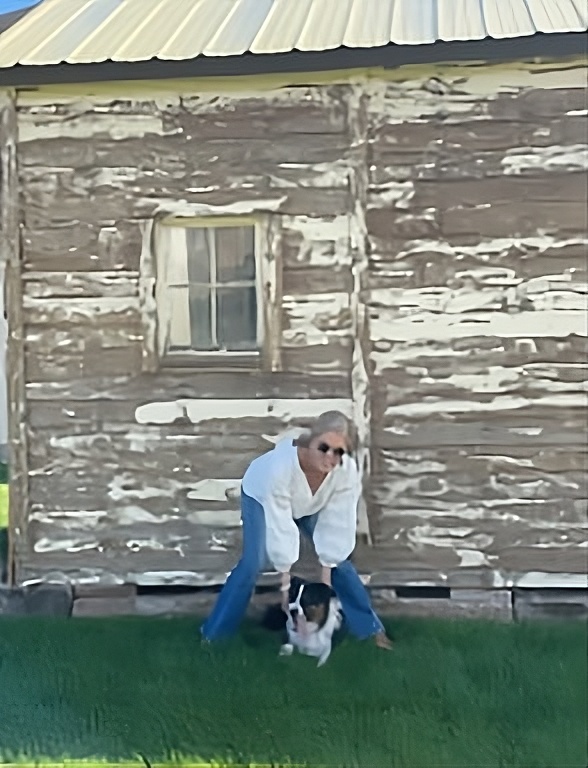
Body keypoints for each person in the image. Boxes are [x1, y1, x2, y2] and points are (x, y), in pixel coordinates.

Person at [201, 410, 393, 650]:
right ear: (310, 441)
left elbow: (338, 522)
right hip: (263, 496)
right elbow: (280, 524)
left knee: (341, 564)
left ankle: (370, 629)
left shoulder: (347, 472)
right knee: (252, 564)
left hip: (312, 504)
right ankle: (214, 636)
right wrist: (284, 585)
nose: (330, 457)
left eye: (339, 451)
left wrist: (327, 581)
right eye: (324, 447)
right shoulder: (281, 467)